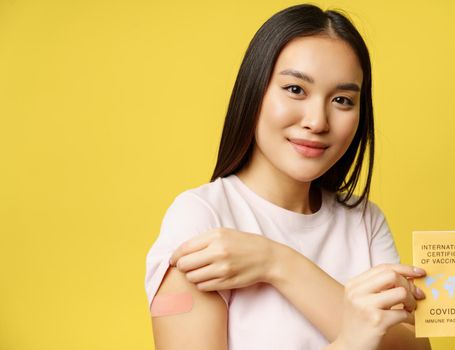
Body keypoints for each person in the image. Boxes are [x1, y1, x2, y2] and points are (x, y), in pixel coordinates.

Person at [144, 3, 431, 349]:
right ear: (254, 92)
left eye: (342, 100)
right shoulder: (202, 218)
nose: (317, 121)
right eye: (295, 89)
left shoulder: (365, 221)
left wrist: (279, 263)